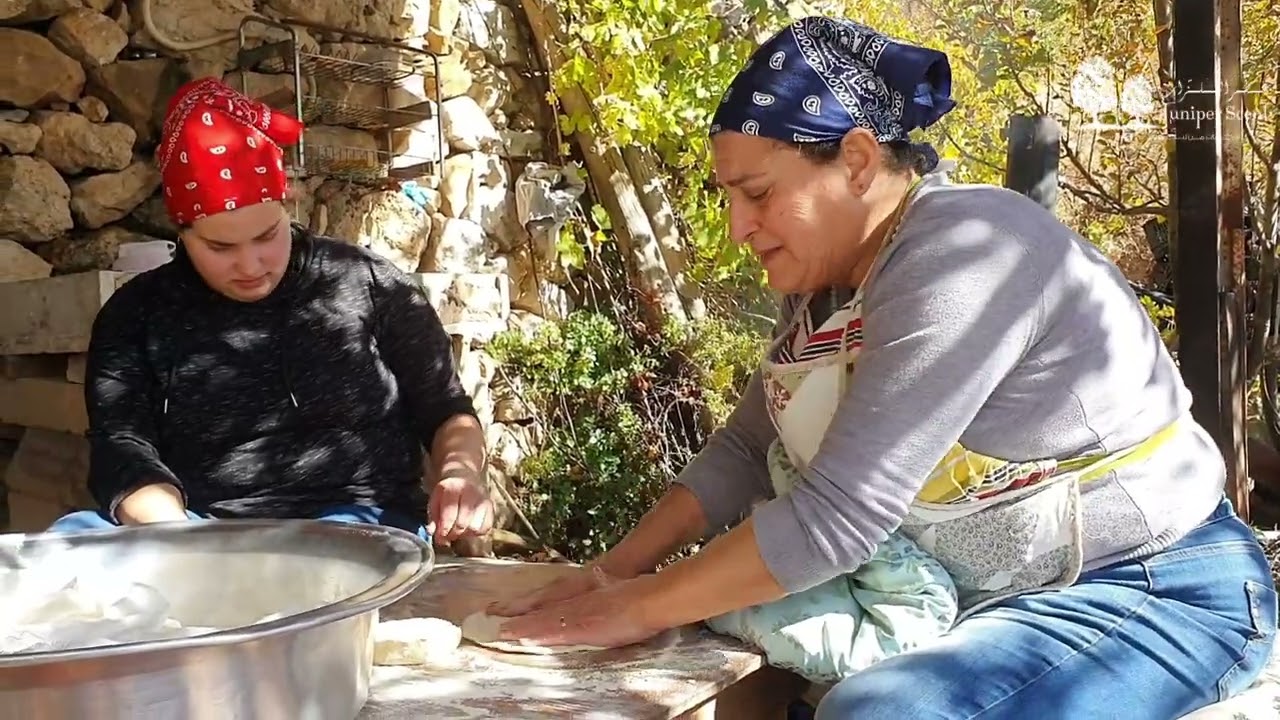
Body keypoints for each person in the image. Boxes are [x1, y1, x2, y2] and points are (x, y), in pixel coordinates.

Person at [485, 17, 1278, 719]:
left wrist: (635, 611)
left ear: (857, 161)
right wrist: (609, 574)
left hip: (1161, 591)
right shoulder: (833, 285)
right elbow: (739, 453)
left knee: (884, 713)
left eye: (756, 194)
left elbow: (834, 521)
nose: (736, 228)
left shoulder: (968, 253)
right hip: (1009, 601)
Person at [47, 78, 494, 546]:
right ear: (181, 230)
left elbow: (446, 409)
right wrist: (177, 537)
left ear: (288, 204)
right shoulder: (135, 314)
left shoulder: (371, 284)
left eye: (266, 236)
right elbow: (122, 447)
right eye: (219, 246)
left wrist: (460, 474)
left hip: (360, 527)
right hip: (204, 530)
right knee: (64, 548)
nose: (249, 265)